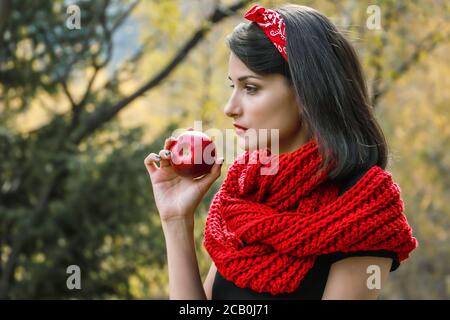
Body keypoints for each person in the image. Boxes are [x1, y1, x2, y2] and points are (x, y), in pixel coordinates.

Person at [144, 4, 417, 300]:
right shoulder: (246, 189)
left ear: (306, 92)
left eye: (250, 88)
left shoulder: (364, 205)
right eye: (232, 86)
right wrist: (175, 220)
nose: (230, 108)